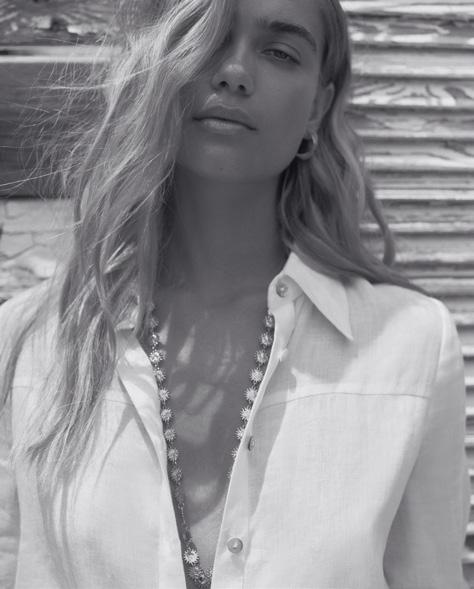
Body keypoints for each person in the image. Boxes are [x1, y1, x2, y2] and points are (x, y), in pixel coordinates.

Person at [0, 0, 470, 587]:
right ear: (149, 63)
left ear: (318, 106)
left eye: (280, 52)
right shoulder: (30, 345)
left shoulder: (411, 346)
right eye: (207, 37)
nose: (234, 73)